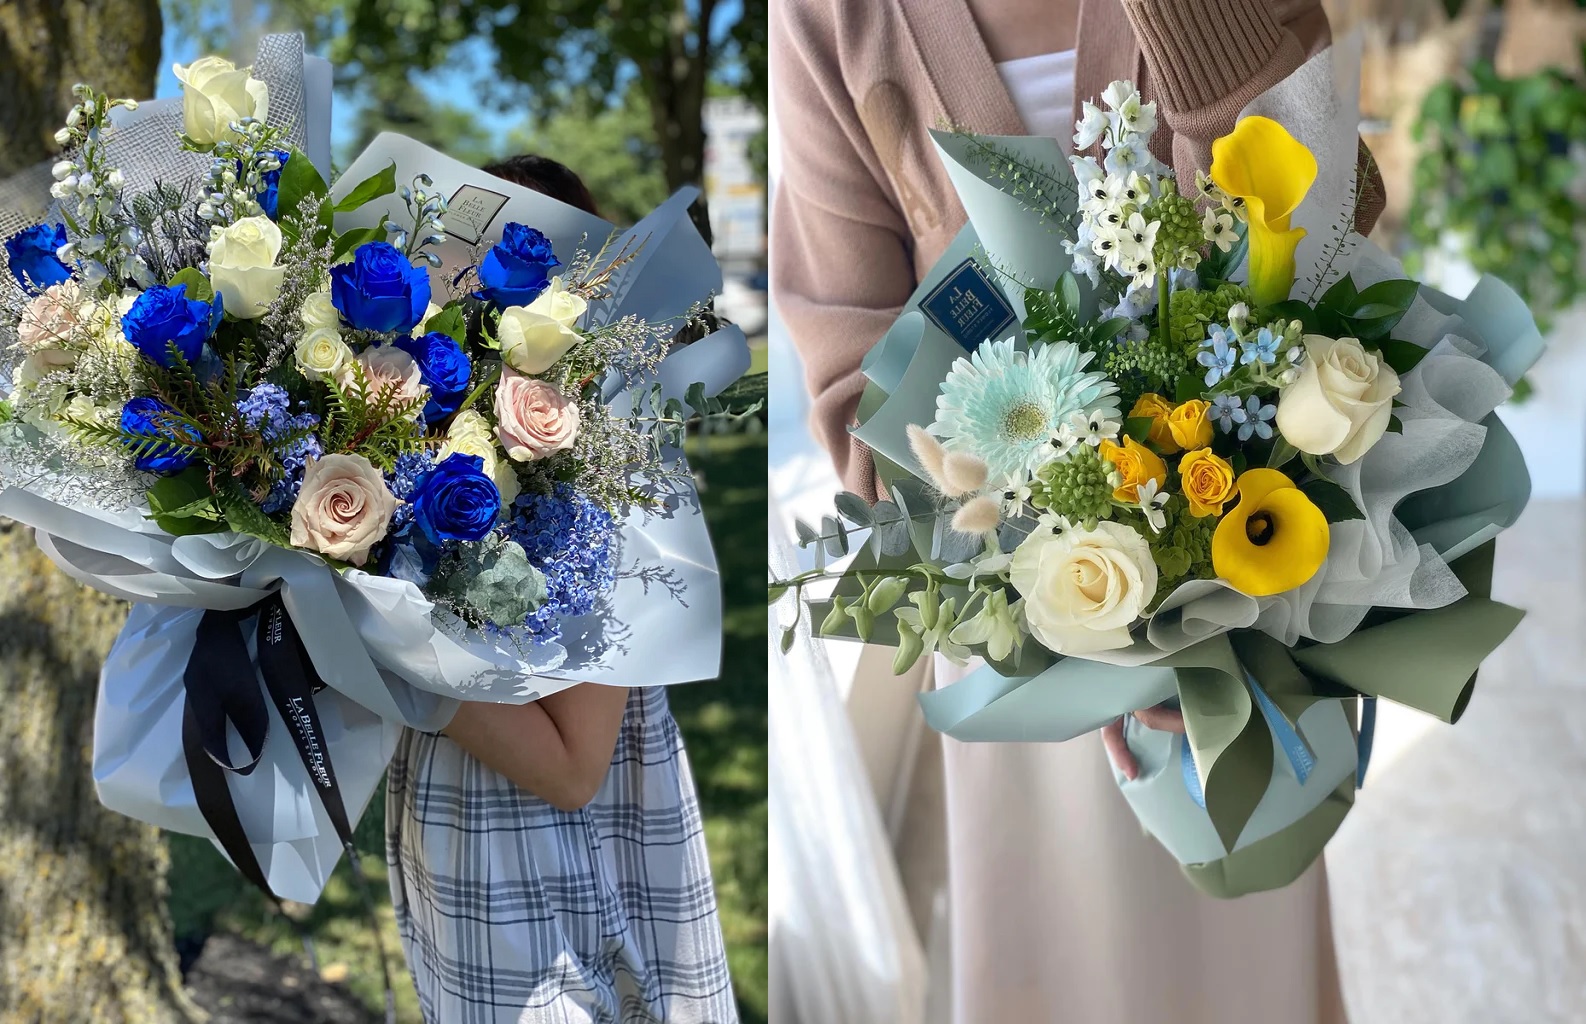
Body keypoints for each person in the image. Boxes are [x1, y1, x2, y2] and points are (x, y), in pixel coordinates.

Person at [772, 1, 1380, 1021]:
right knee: (1057, 959)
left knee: (1247, 963)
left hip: (1250, 598)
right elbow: (852, 391)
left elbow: (1335, 227)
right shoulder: (830, 18)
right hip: (1015, 627)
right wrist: (1080, 627)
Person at [383, 153, 738, 1024]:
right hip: (461, 840)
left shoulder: (605, 476)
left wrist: (387, 653)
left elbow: (577, 769)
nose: (462, 284)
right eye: (455, 257)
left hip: (553, 873)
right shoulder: (430, 443)